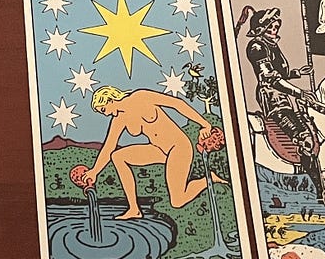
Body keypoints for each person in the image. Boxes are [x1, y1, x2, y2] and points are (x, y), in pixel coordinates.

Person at [81, 85, 225, 220]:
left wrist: (205, 124)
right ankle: (134, 209)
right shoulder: (119, 119)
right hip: (158, 149)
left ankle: (207, 179)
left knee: (177, 201)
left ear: (110, 99)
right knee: (118, 156)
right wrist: (95, 171)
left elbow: (177, 104)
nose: (105, 114)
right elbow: (109, 147)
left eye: (103, 109)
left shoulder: (141, 97)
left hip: (178, 147)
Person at [234, 5, 325, 200]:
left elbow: (281, 73)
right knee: (305, 139)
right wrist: (299, 92)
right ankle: (321, 191)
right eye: (271, 27)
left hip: (284, 96)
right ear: (261, 28)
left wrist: (297, 73)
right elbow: (271, 78)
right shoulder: (257, 47)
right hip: (273, 99)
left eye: (276, 26)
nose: (275, 30)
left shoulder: (271, 45)